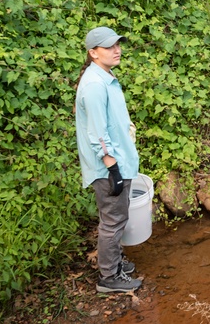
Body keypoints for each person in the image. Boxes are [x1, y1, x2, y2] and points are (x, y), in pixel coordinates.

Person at [75, 26, 142, 294]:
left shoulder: (104, 75)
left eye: (118, 44)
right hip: (108, 167)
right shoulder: (93, 84)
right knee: (113, 220)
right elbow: (98, 134)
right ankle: (109, 276)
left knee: (116, 217)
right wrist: (112, 168)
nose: (117, 50)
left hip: (117, 160)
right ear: (93, 53)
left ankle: (113, 262)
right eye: (109, 46)